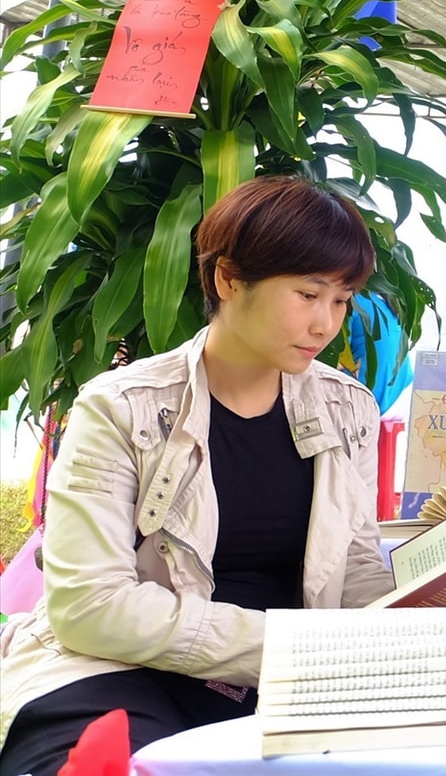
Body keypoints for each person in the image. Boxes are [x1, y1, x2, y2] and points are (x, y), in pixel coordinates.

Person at [0, 176, 397, 774]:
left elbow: (357, 565)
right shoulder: (120, 407)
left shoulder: (349, 410)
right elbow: (89, 606)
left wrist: (438, 614)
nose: (325, 325)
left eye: (341, 301)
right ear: (228, 280)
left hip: (280, 688)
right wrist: (289, 648)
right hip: (117, 671)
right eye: (307, 294)